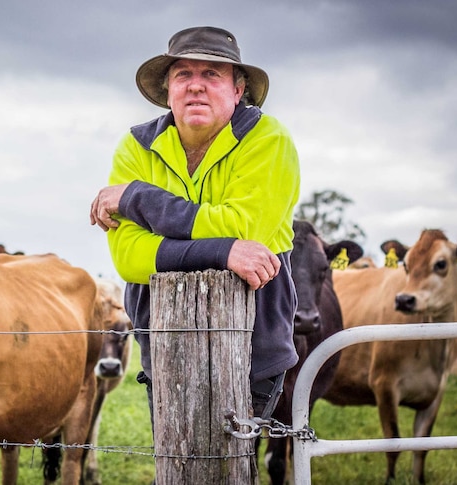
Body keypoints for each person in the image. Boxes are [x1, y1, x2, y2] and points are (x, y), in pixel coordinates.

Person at [89, 26, 300, 426]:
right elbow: (129, 258)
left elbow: (245, 229)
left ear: (238, 91)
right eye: (184, 74)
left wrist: (138, 198)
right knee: (176, 458)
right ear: (168, 90)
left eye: (212, 74)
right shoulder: (135, 146)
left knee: (233, 461)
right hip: (162, 339)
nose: (196, 86)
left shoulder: (268, 138)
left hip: (253, 342)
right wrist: (223, 251)